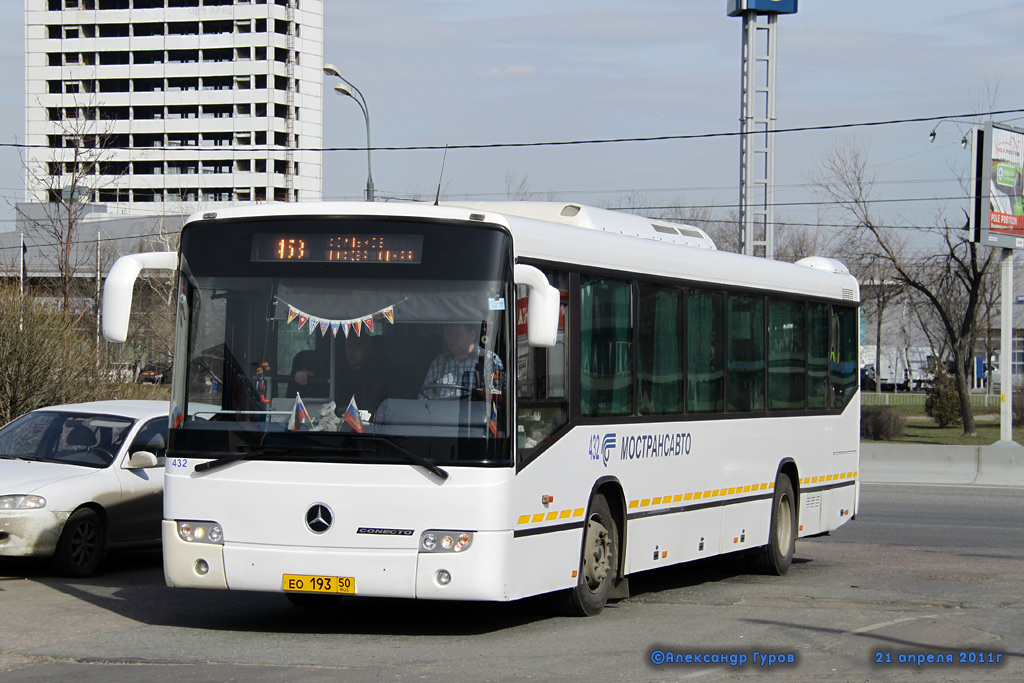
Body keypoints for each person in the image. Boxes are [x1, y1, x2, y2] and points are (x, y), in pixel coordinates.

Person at [420, 322, 504, 399]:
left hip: (475, 414)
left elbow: (497, 399)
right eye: (449, 335)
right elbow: (424, 398)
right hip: (441, 414)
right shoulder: (438, 363)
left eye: (458, 334)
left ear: (471, 335)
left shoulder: (489, 361)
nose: (452, 338)